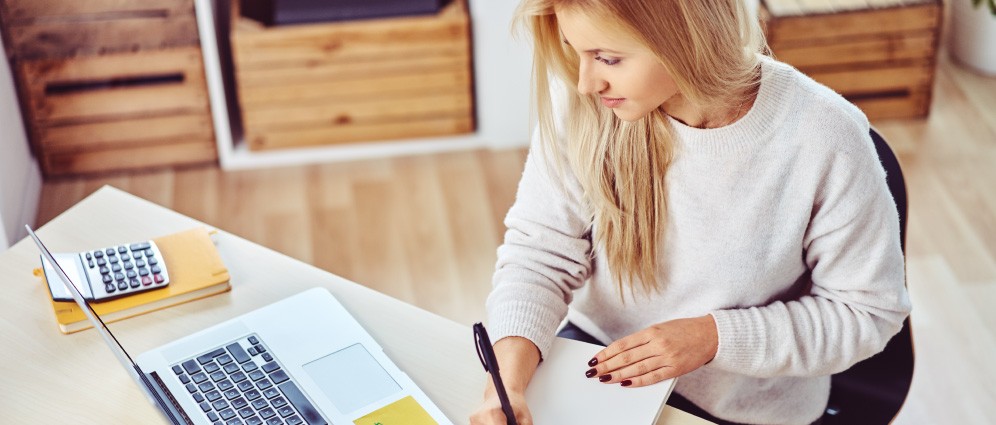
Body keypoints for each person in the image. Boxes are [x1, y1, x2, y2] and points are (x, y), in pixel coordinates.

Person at [469, 0, 912, 424]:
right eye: (575, 50)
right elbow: (539, 257)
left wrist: (711, 337)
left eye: (607, 58)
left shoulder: (823, 135)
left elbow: (866, 312)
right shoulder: (585, 104)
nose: (586, 82)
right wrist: (505, 384)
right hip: (599, 362)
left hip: (741, 405)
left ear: (684, 38)